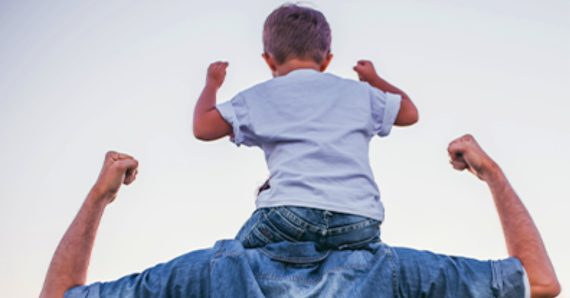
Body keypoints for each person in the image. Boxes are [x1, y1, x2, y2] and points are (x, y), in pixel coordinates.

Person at [39, 134, 560, 298]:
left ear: (266, 197)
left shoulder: (212, 272)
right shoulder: (393, 273)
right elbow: (540, 282)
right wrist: (491, 173)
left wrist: (99, 198)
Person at [192, 4, 419, 251]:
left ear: (268, 60)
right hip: (360, 220)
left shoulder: (260, 96)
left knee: (232, 260)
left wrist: (212, 84)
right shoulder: (359, 93)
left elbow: (202, 127)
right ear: (327, 60)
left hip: (290, 215)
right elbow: (409, 112)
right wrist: (374, 80)